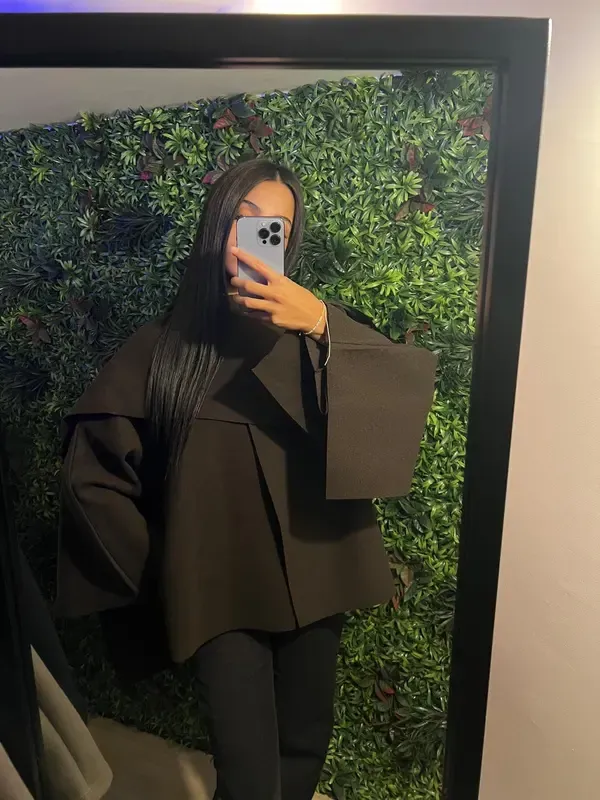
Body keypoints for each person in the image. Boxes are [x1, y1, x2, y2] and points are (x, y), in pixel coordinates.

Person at [55, 159, 437, 800]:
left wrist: (320, 324)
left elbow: (390, 418)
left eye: (277, 228)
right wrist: (165, 566)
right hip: (220, 590)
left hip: (317, 575)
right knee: (248, 769)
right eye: (247, 219)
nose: (262, 237)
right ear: (217, 227)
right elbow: (91, 480)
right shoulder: (162, 349)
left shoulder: (318, 336)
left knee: (306, 740)